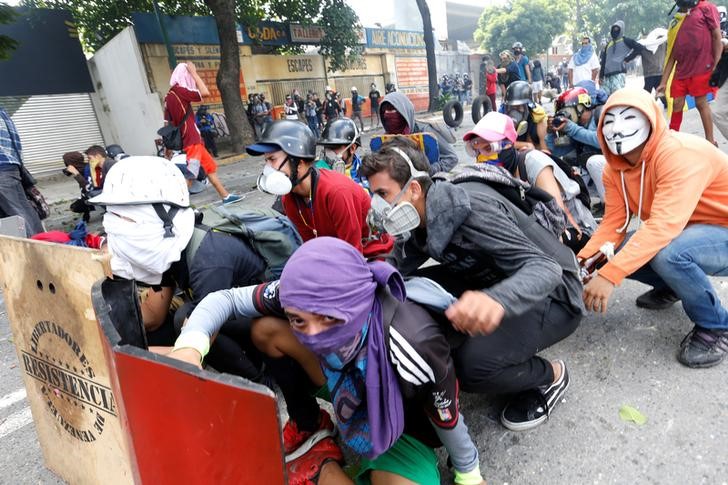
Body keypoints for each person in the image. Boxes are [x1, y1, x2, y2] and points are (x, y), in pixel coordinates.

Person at [169, 237, 486, 484]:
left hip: (403, 426)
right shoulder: (298, 294)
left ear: (357, 302)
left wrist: (469, 473)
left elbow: (446, 414)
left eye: (329, 320)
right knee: (266, 329)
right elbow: (224, 299)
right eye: (299, 321)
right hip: (342, 381)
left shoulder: (414, 341)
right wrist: (190, 346)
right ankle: (309, 423)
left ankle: (321, 468)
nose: (314, 334)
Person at [361, 139, 583, 432]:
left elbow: (546, 269)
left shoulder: (469, 208)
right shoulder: (424, 216)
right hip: (495, 278)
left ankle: (551, 375)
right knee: (404, 291)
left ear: (413, 189)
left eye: (382, 194)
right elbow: (397, 265)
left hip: (556, 295)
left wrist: (495, 300)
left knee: (472, 366)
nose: (378, 205)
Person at [579, 87, 728, 368]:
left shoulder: (677, 154)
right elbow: (613, 224)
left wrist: (609, 276)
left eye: (627, 117)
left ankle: (716, 325)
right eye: (609, 121)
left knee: (668, 253)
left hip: (720, 229)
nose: (617, 128)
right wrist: (581, 265)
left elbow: (662, 226)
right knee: (619, 250)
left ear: (651, 118)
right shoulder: (615, 169)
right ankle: (674, 285)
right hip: (689, 230)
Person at [247, 120, 388, 258]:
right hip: (334, 258)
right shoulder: (288, 198)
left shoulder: (336, 192)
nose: (268, 169)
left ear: (299, 163)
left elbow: (352, 254)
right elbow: (311, 248)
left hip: (372, 257)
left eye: (272, 159)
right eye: (266, 161)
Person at [465, 112, 597, 252]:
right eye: (476, 152)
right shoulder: (496, 176)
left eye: (488, 149)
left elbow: (557, 216)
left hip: (573, 231)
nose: (481, 158)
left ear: (509, 145)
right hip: (535, 231)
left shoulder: (533, 161)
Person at [164, 62, 239, 203]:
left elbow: (168, 123)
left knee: (209, 168)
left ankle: (225, 196)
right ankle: (177, 202)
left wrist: (167, 147)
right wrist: (194, 73)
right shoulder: (180, 91)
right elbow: (205, 92)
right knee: (191, 173)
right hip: (191, 138)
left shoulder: (168, 96)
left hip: (189, 139)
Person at [657, 0, 722, 143]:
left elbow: (717, 37)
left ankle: (710, 141)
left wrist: (716, 65)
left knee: (701, 103)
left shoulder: (706, 8)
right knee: (677, 104)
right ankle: (672, 140)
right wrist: (663, 82)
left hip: (701, 67)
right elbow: (672, 53)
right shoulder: (677, 19)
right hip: (681, 71)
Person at [545, 86, 608, 203]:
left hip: (619, 174)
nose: (565, 117)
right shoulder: (578, 128)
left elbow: (603, 142)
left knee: (594, 162)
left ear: (580, 107)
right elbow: (555, 151)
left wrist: (572, 129)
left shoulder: (601, 114)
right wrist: (551, 133)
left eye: (567, 111)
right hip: (598, 179)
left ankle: (611, 207)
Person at [378, 91, 458, 174]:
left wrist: (430, 171)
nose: (387, 114)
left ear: (404, 110)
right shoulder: (384, 139)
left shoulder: (425, 130)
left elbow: (451, 158)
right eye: (384, 110)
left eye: (391, 109)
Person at [0, 107, 44, 236]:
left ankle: (35, 248)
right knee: (23, 210)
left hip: (2, 169)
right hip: (10, 167)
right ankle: (43, 242)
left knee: (17, 213)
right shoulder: (2, 111)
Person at [315, 118, 367, 188]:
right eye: (326, 147)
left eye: (334, 148)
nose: (328, 153)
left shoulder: (367, 171)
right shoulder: (316, 174)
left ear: (352, 148)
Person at [599, 21, 646, 95]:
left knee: (617, 96)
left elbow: (639, 48)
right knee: (604, 98)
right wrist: (601, 76)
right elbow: (604, 61)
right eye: (614, 29)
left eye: (617, 29)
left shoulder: (626, 41)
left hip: (618, 74)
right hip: (607, 76)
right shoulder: (608, 44)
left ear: (621, 30)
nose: (615, 31)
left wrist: (627, 59)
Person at [502, 81, 549, 152]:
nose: (513, 113)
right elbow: (498, 144)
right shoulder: (503, 120)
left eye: (518, 107)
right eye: (510, 107)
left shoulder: (540, 122)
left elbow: (546, 153)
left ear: (528, 107)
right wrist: (524, 145)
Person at [637, 28, 668, 101]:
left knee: (649, 91)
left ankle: (644, 104)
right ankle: (663, 103)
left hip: (651, 73)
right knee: (654, 90)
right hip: (656, 72)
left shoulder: (644, 45)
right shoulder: (662, 43)